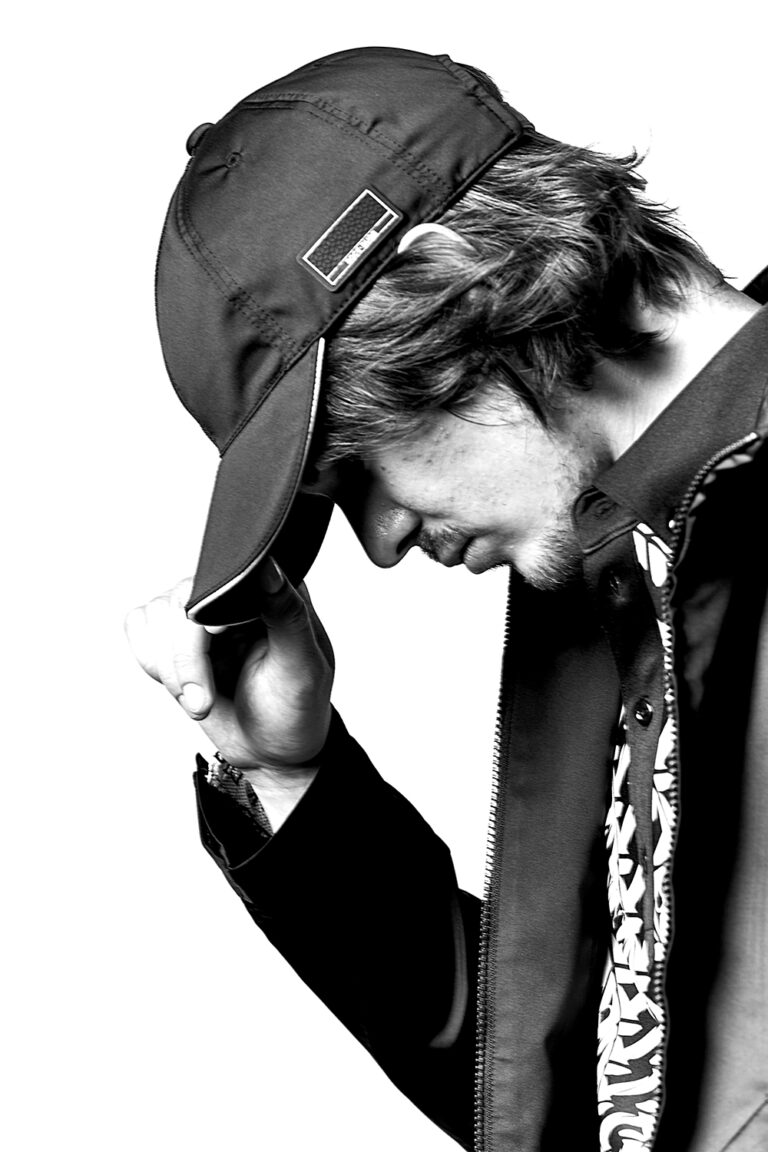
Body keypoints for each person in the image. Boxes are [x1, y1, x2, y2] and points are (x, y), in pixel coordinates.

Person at [125, 47, 768, 1152]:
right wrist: (295, 778)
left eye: (357, 463)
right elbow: (594, 1103)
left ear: (460, 287)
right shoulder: (618, 587)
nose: (379, 544)